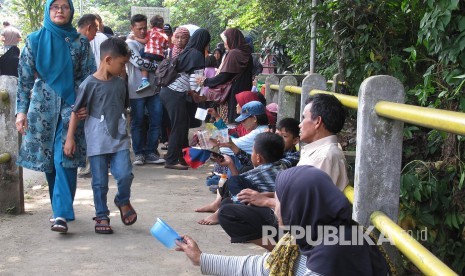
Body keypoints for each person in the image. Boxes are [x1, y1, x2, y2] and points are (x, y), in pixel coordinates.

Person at [177, 166, 390, 276]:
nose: (274, 206)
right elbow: (265, 267)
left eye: (279, 201)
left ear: (300, 206)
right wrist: (201, 259)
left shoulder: (331, 258)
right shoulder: (314, 234)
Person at [16, 0, 96, 233]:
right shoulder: (34, 40)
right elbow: (24, 80)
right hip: (41, 108)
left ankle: (60, 213)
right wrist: (21, 111)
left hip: (71, 107)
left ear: (71, 11)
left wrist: (85, 104)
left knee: (65, 156)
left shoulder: (80, 42)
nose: (59, 10)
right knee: (50, 161)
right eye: (54, 6)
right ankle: (61, 208)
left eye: (64, 6)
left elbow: (89, 76)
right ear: (48, 10)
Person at [64, 37, 137, 234]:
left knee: (125, 174)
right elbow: (76, 110)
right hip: (97, 137)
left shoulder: (121, 83)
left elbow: (123, 108)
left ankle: (122, 200)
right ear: (107, 60)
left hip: (119, 136)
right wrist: (70, 138)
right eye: (122, 64)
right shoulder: (89, 84)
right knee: (99, 181)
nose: (123, 69)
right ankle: (102, 214)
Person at [195, 101, 269, 224]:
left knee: (227, 175)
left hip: (254, 172)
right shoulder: (256, 130)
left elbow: (228, 146)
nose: (242, 122)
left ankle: (221, 204)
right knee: (222, 175)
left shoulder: (258, 133)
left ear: (254, 118)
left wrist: (216, 140)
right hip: (250, 166)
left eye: (245, 120)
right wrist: (218, 120)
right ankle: (219, 202)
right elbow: (231, 142)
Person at [198, 132, 285, 226]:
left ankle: (222, 210)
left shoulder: (256, 173)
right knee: (227, 201)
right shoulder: (283, 165)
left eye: (252, 152)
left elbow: (236, 181)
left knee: (232, 185)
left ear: (258, 158)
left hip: (267, 213)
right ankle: (221, 206)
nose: (251, 154)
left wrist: (230, 164)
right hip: (276, 208)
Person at [160, 29, 211, 170]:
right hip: (175, 93)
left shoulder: (187, 51)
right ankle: (171, 160)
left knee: (183, 124)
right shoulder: (197, 54)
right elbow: (196, 80)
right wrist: (199, 94)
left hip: (169, 92)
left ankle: (184, 157)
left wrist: (192, 93)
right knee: (179, 126)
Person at [126, 14, 165, 166]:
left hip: (154, 90)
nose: (142, 31)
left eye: (144, 28)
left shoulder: (151, 40)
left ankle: (150, 152)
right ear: (132, 28)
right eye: (139, 29)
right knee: (138, 122)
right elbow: (140, 63)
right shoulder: (129, 44)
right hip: (136, 90)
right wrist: (159, 67)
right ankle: (139, 153)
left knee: (156, 121)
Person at [199, 28, 254, 123]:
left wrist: (206, 81)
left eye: (225, 41)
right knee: (243, 120)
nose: (224, 44)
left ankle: (231, 137)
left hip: (234, 93)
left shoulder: (233, 53)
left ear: (232, 40)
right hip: (245, 92)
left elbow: (224, 76)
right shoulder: (247, 53)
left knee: (232, 121)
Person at [298, 93, 349, 190]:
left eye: (304, 118)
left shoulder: (324, 157)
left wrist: (266, 201)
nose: (300, 125)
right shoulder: (323, 152)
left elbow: (309, 200)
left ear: (317, 121)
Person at [134, 15, 168, 93]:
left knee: (143, 60)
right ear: (162, 25)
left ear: (151, 25)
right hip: (160, 55)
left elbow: (145, 41)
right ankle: (158, 83)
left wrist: (135, 38)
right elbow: (166, 46)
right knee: (157, 68)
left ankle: (145, 80)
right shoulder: (164, 34)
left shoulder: (150, 32)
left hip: (150, 53)